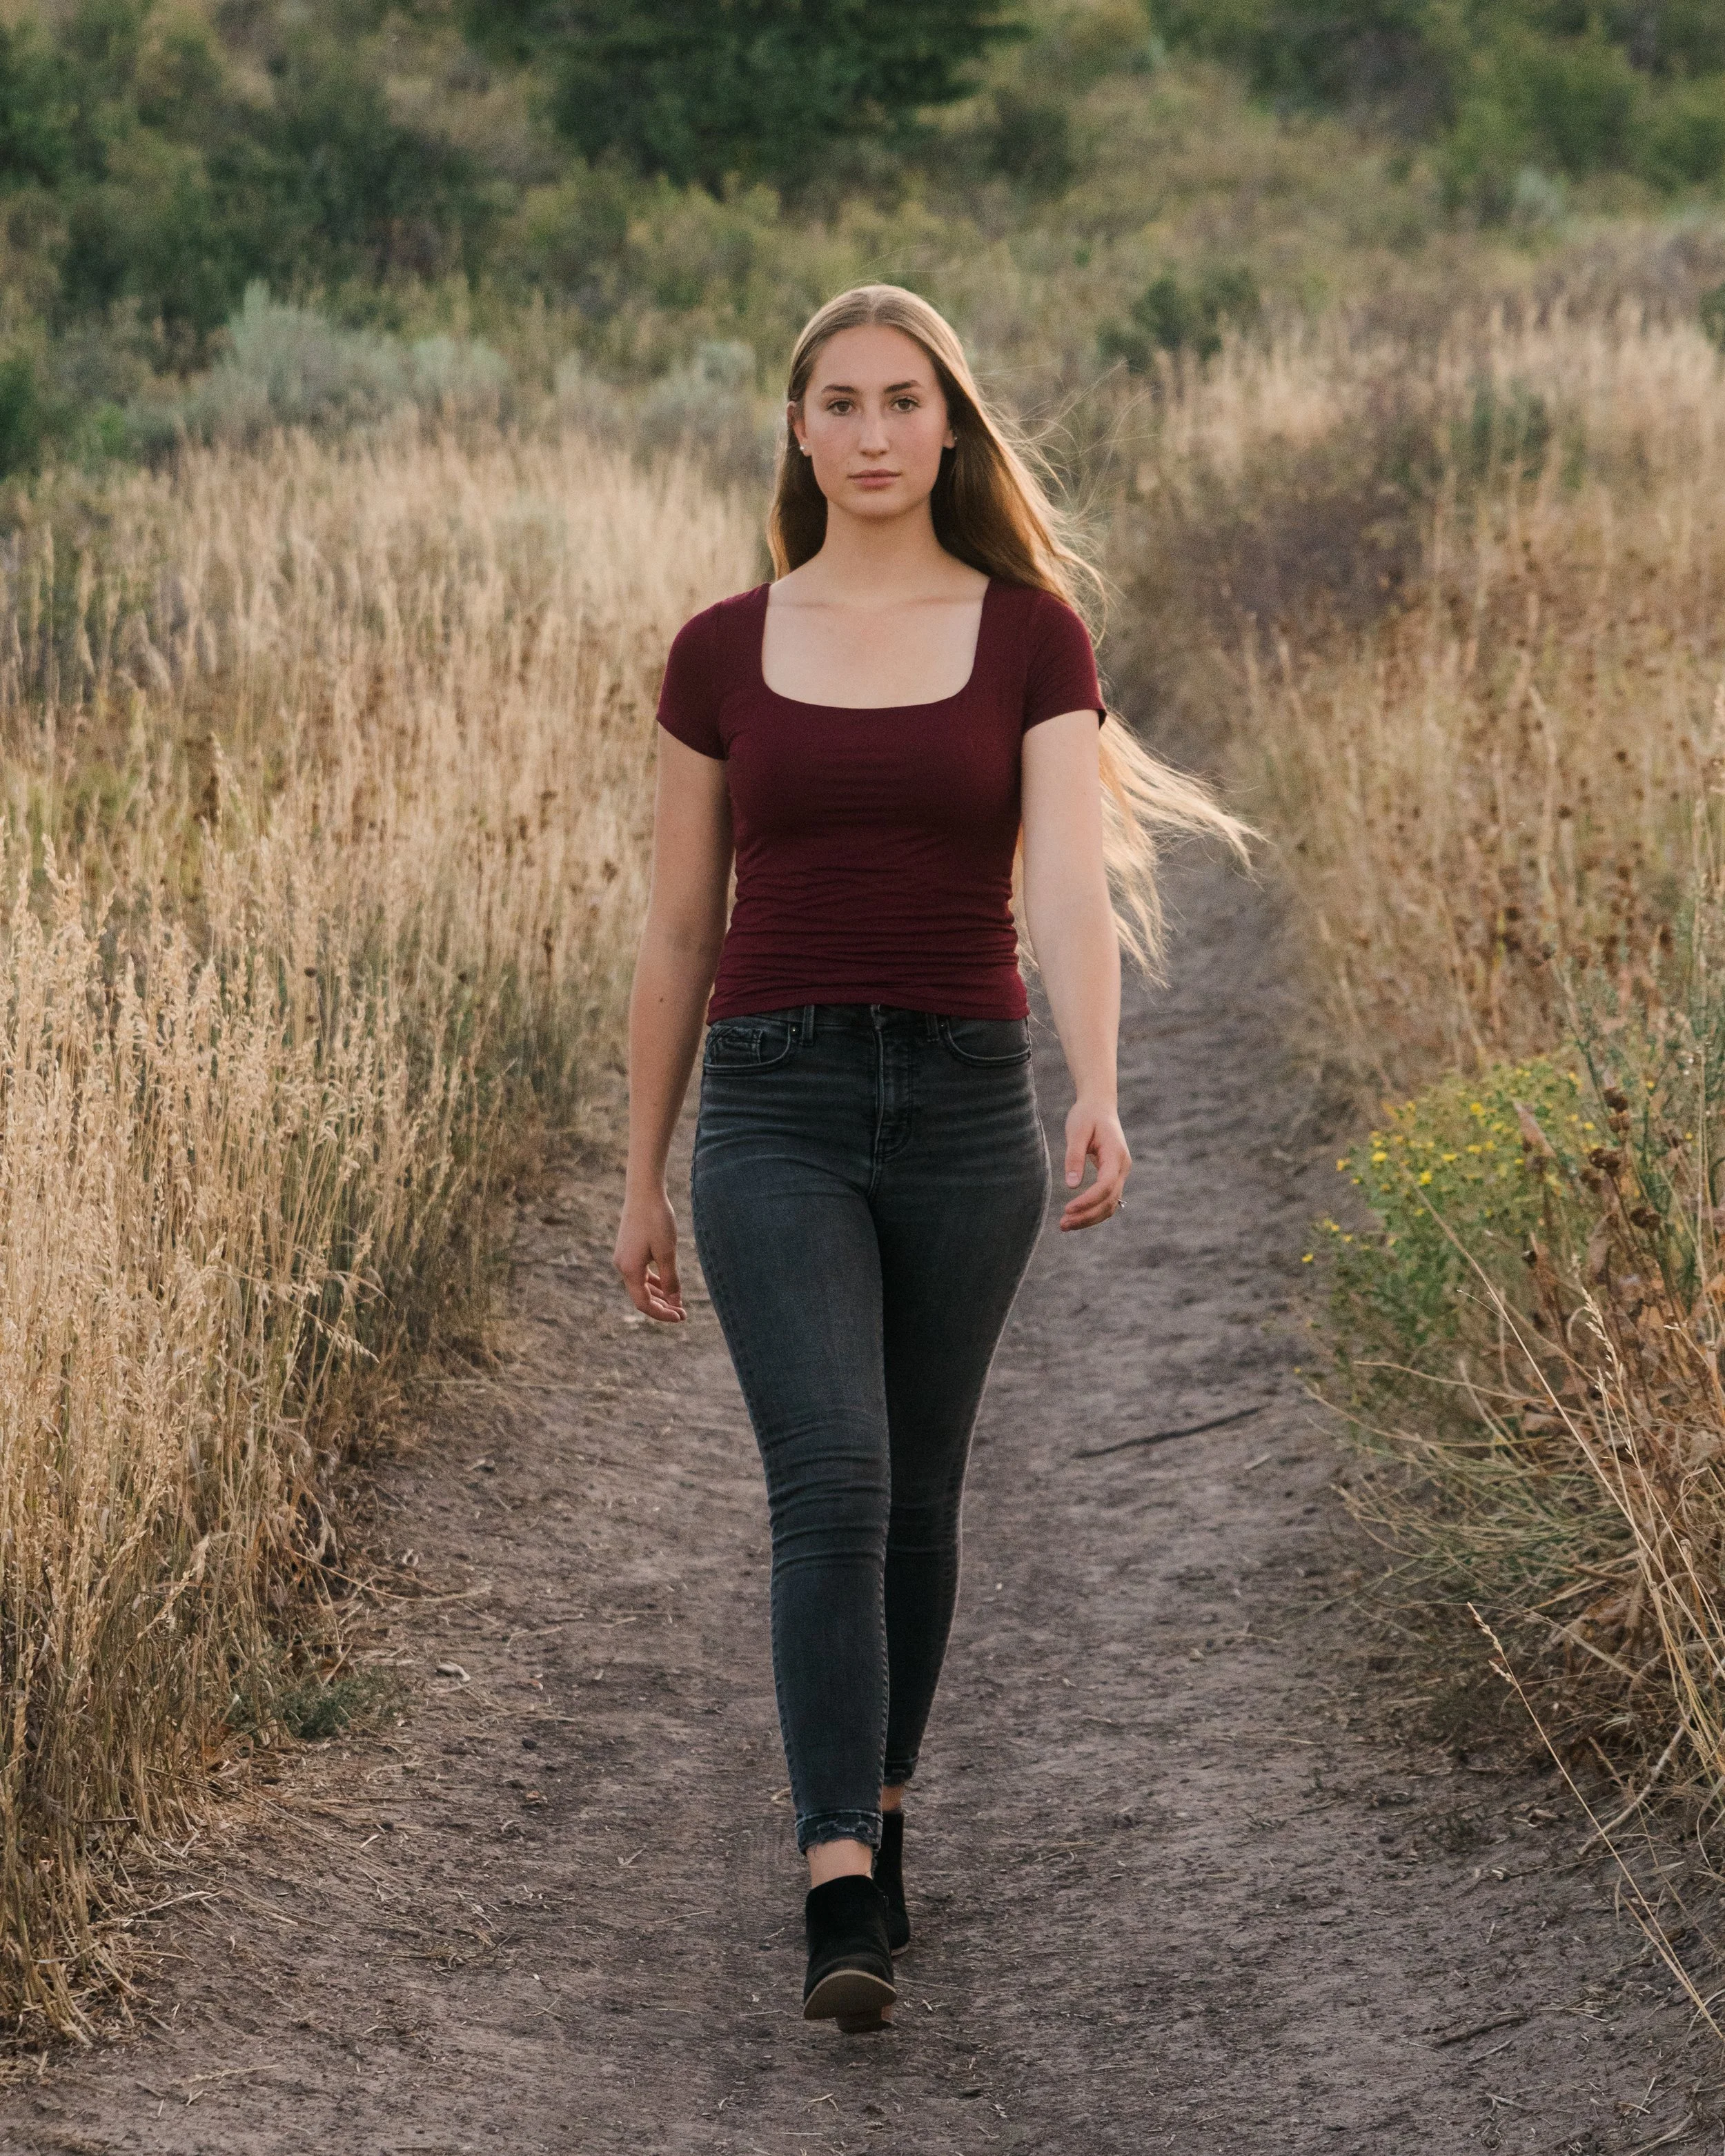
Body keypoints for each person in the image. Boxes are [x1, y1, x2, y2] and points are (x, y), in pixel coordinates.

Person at [613, 284, 1246, 2033]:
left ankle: (882, 1815)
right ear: (796, 430)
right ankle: (833, 1875)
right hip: (773, 1101)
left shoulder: (1033, 635)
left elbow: (1061, 874)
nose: (875, 432)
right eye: (842, 401)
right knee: (827, 1470)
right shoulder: (719, 651)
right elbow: (679, 928)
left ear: (948, 428)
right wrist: (640, 1167)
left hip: (969, 1102)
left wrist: (1094, 1082)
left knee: (918, 1493)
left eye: (906, 400)